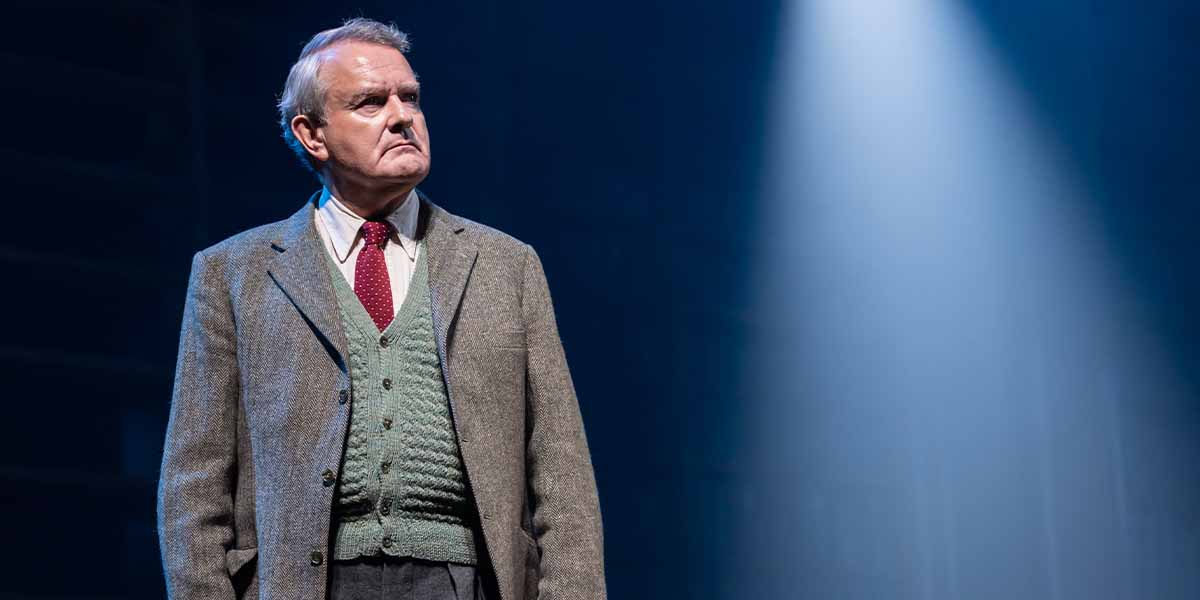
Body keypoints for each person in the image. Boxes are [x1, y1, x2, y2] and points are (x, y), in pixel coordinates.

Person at [156, 17, 606, 600]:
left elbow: (562, 469)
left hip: (463, 581)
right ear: (312, 134)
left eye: (410, 97)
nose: (402, 116)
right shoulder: (233, 273)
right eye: (370, 102)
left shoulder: (506, 266)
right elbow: (193, 484)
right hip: (303, 582)